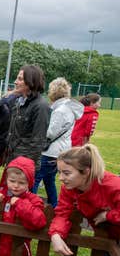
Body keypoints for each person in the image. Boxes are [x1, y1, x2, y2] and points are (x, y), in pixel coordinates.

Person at [32, 78, 83, 207]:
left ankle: (31, 204)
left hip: (51, 151)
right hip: (59, 150)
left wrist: (39, 126)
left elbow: (50, 133)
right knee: (49, 180)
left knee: (36, 178)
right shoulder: (67, 108)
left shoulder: (60, 110)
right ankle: (54, 206)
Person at [4, 65, 51, 171]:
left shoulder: (41, 106)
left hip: (24, 166)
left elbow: (37, 142)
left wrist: (24, 167)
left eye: (20, 79)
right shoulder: (18, 101)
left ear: (31, 81)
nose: (15, 82)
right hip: (13, 160)